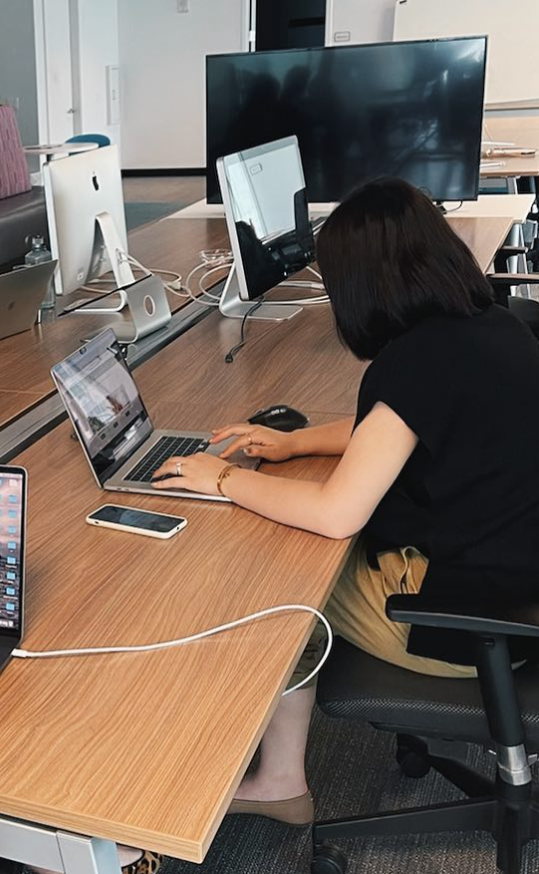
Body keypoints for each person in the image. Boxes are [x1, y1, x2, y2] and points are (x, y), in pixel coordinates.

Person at [155, 177, 539, 825]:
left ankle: (274, 778)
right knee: (290, 516)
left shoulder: (416, 360)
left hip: (462, 621)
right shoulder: (489, 326)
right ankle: (275, 768)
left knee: (274, 566)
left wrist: (221, 479)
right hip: (516, 587)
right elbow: (398, 426)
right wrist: (293, 441)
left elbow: (338, 512)